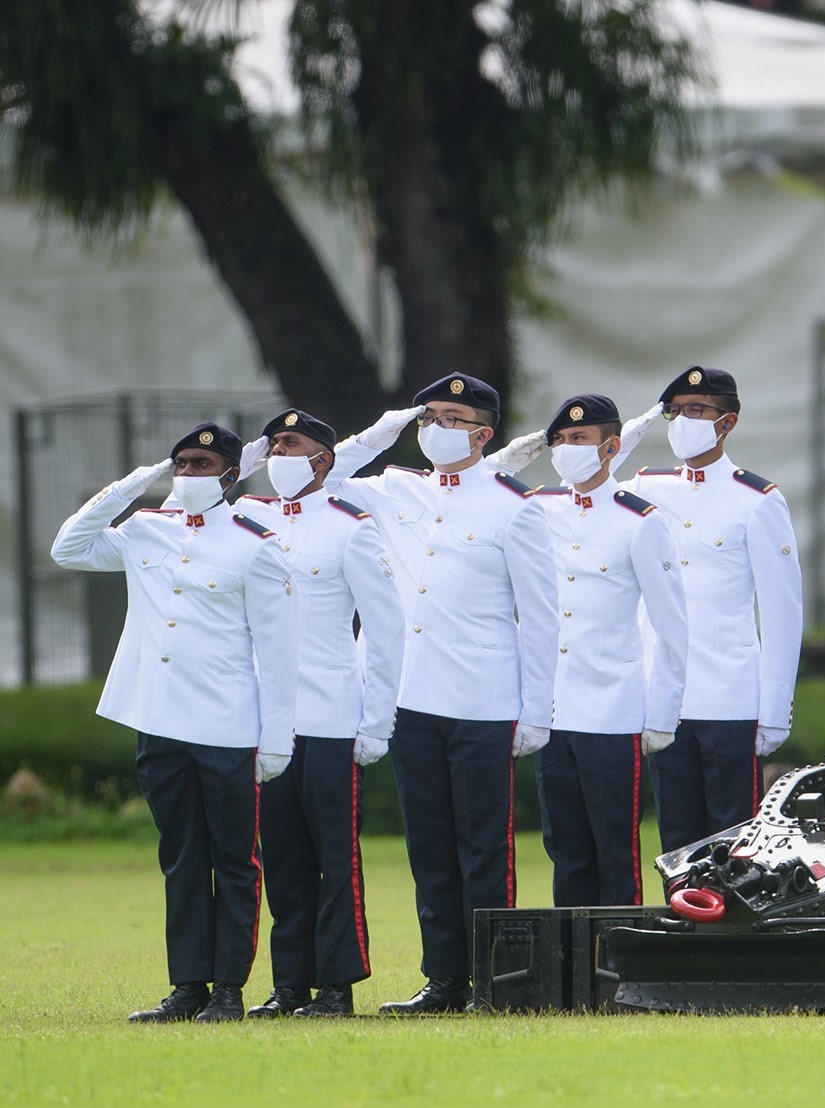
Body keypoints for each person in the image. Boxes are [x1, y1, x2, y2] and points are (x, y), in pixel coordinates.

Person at [325, 373, 558, 1014]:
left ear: (484, 434)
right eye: (431, 418)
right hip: (409, 698)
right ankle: (445, 980)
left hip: (484, 701)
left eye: (453, 419)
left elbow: (541, 615)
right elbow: (326, 478)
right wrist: (387, 427)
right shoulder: (395, 489)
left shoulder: (515, 504)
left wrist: (536, 711)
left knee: (483, 849)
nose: (437, 430)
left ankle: (496, 982)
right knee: (429, 849)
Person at [51, 421, 298, 1024]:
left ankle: (229, 991)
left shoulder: (255, 542)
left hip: (227, 725)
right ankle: (187, 986)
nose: (189, 474)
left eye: (203, 466)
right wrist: (136, 482)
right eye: (182, 464)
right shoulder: (145, 529)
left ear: (232, 476)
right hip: (159, 719)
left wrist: (277, 737)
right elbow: (69, 548)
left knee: (234, 862)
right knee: (182, 857)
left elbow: (277, 648)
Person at [233, 408, 403, 1017]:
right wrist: (247, 461)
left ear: (323, 459)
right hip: (265, 720)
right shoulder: (247, 519)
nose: (279, 454)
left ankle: (336, 986)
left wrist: (377, 720)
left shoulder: (349, 527)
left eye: (292, 444)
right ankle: (289, 986)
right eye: (273, 444)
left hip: (330, 717)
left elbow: (386, 630)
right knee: (281, 859)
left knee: (334, 858)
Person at [522, 393, 688, 905]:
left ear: (611, 447)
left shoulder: (639, 520)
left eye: (580, 439)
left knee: (614, 848)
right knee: (564, 846)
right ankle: (572, 972)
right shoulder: (538, 510)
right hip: (552, 708)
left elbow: (671, 626)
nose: (567, 449)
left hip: (612, 711)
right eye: (561, 441)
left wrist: (661, 714)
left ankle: (617, 966)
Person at [631, 365, 803, 857]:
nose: (683, 421)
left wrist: (774, 710)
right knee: (677, 844)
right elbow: (586, 492)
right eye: (676, 412)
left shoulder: (757, 500)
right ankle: (685, 932)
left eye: (697, 410)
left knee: (735, 844)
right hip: (666, 698)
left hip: (730, 697)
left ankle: (735, 937)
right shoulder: (647, 488)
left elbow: (782, 612)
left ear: (727, 422)